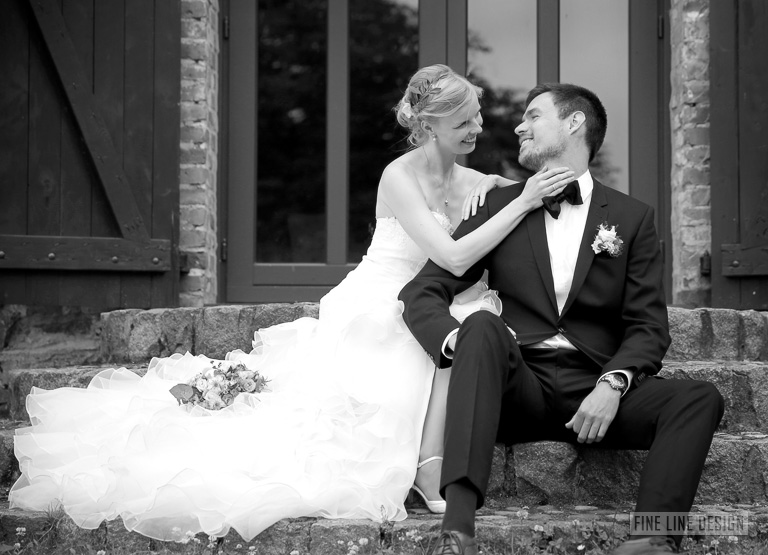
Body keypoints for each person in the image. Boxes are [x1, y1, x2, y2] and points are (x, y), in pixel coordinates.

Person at [8, 65, 574, 542]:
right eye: (465, 120)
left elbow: (534, 191)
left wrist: (500, 186)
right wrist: (520, 200)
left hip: (435, 300)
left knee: (470, 319)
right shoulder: (397, 177)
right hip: (382, 299)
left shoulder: (475, 181)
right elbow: (450, 257)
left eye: (478, 115)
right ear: (429, 125)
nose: (479, 127)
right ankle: (428, 467)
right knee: (410, 354)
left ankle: (431, 463)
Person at [399, 83, 724, 555]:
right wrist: (458, 344)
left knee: (699, 398)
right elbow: (422, 291)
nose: (519, 126)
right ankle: (457, 531)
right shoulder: (500, 206)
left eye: (533, 115)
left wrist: (613, 383)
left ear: (574, 123)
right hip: (517, 388)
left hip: (593, 391)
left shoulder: (632, 218)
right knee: (482, 326)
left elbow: (648, 325)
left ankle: (654, 540)